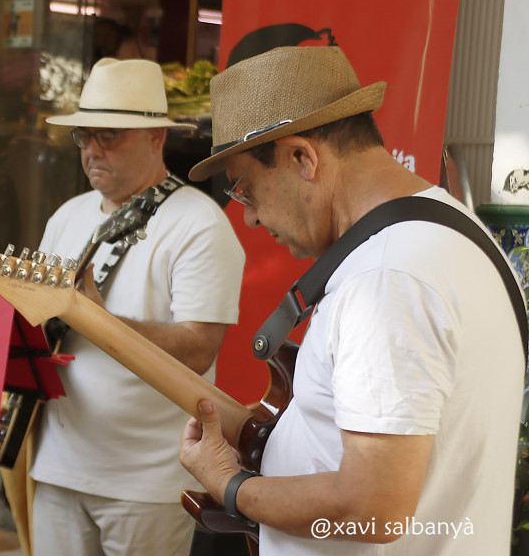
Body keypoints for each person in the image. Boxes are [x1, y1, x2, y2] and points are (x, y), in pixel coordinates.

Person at [179, 45, 525, 554]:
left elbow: (373, 508)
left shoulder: (387, 279)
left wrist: (232, 487)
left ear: (302, 158)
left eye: (245, 189)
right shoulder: (450, 230)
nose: (249, 217)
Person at [28, 58, 246, 556]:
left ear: (156, 137)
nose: (92, 150)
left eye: (109, 136)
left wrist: (99, 320)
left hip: (147, 479)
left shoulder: (199, 223)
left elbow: (198, 350)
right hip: (58, 462)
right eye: (84, 136)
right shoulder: (66, 216)